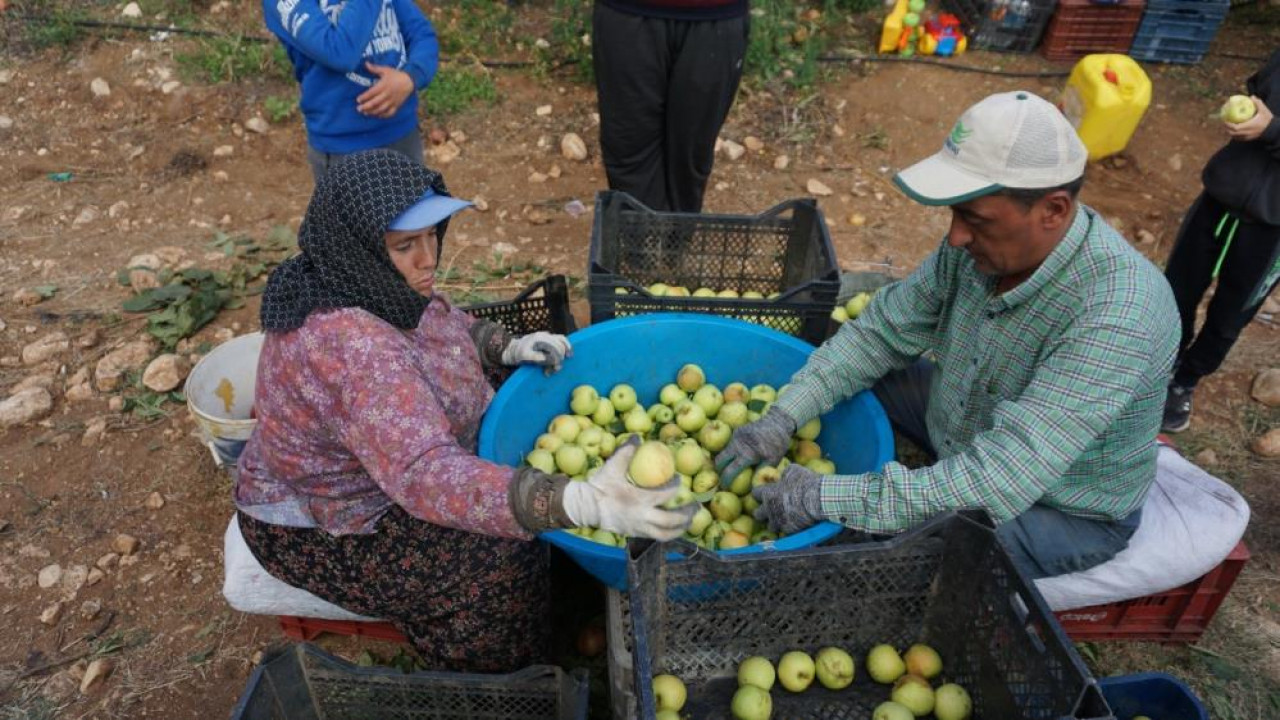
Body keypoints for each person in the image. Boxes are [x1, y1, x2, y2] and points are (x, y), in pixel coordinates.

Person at [233, 150, 694, 671]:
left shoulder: (361, 277)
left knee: (527, 394)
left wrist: (504, 347)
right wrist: (580, 503)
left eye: (433, 234)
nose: (429, 259)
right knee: (499, 556)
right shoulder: (350, 348)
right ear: (359, 249)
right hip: (333, 523)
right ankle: (503, 669)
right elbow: (425, 475)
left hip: (380, 447)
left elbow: (438, 322)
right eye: (406, 245)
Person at [717, 92, 1180, 580]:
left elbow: (1000, 480)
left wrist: (825, 496)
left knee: (894, 562)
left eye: (975, 219)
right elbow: (880, 335)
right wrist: (783, 416)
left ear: (1054, 210)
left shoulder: (1118, 314)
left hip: (1057, 505)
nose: (956, 236)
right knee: (846, 367)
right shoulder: (975, 251)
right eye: (956, 214)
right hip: (966, 419)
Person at [1161, 50, 1280, 433]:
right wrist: (1246, 113)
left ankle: (1185, 381)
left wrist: (1271, 130)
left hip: (1271, 227)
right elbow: (1258, 88)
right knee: (1176, 291)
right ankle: (1163, 361)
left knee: (1230, 316)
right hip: (1220, 197)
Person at [592, 0, 749, 213]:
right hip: (626, 13)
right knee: (629, 152)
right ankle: (640, 242)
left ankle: (676, 242)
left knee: (691, 155)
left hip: (717, 16)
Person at [263, 0, 439, 182]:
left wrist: (410, 77)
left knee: (413, 210)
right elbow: (339, 52)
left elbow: (421, 33)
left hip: (402, 132)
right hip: (343, 147)